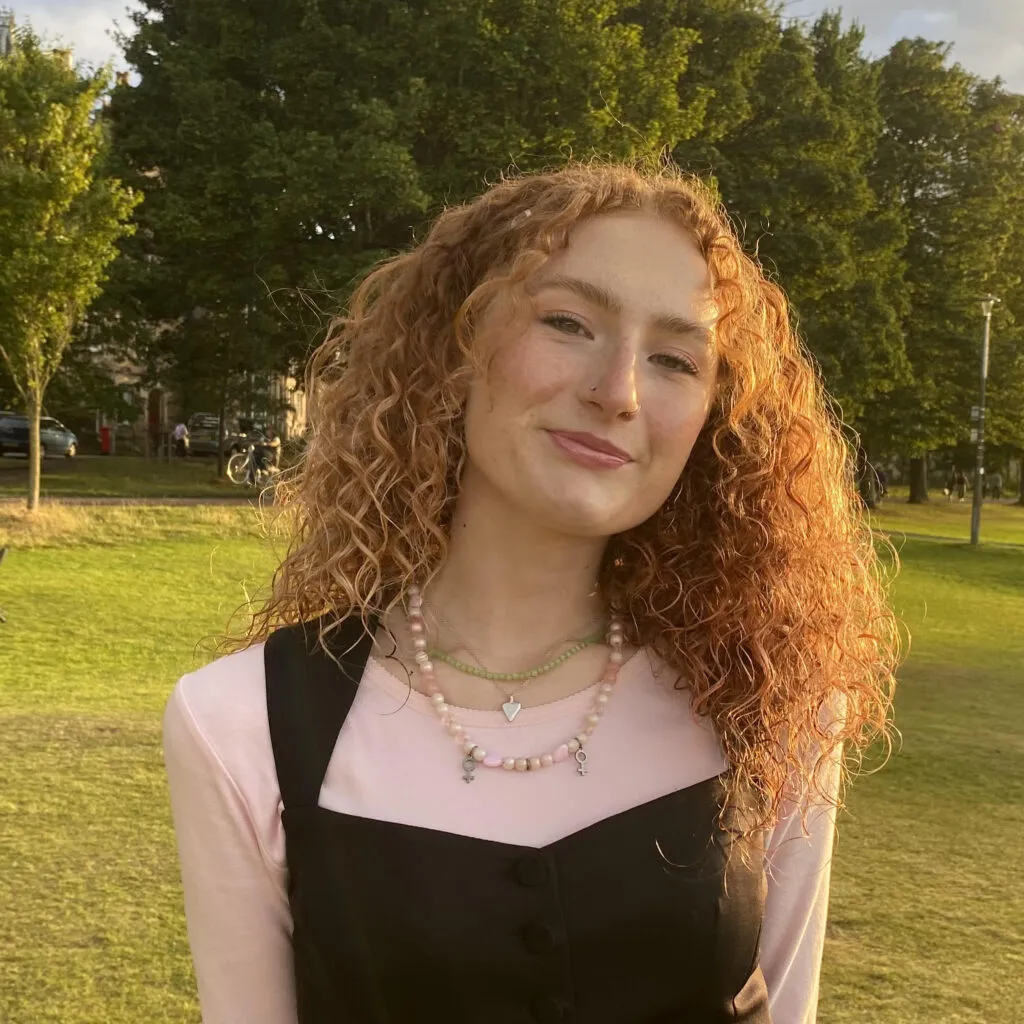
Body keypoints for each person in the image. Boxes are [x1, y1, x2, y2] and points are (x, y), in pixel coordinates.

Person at [163, 160, 900, 1024]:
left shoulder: (773, 703)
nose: (618, 392)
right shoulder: (239, 723)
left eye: (675, 359)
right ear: (456, 347)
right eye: (568, 322)